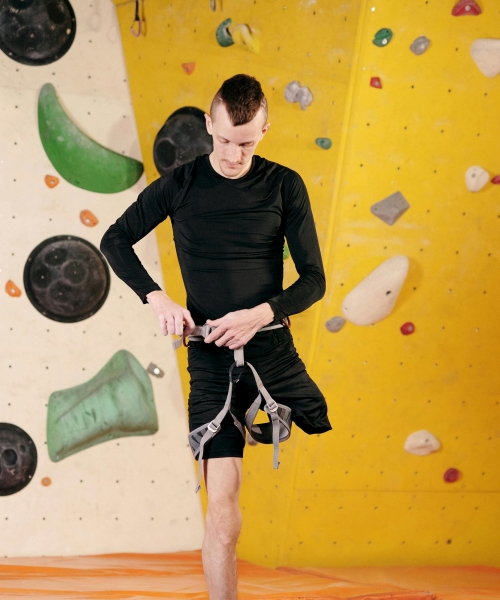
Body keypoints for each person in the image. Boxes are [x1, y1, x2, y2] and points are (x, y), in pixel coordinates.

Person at [100, 74, 331, 600]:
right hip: (210, 359)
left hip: (271, 349)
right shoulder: (181, 184)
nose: (232, 154)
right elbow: (114, 239)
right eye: (224, 140)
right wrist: (156, 297)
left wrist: (260, 313)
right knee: (224, 515)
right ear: (209, 125)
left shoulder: (284, 184)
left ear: (266, 130)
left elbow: (314, 280)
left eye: (246, 142)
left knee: (316, 423)